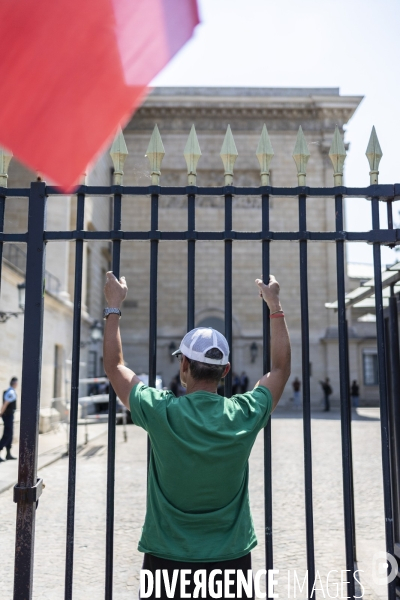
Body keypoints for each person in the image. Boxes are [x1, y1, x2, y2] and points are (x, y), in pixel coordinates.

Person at [103, 273, 291, 600]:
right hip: (231, 558)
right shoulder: (242, 415)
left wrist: (113, 306)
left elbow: (114, 367)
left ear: (184, 366)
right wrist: (275, 306)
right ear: (226, 371)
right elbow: (280, 370)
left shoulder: (161, 412)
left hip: (166, 557)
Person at [0, 377, 18, 462]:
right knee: (7, 434)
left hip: (9, 415)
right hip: (7, 415)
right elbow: (6, 403)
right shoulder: (11, 392)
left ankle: (8, 454)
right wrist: (1, 413)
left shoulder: (11, 391)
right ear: (14, 384)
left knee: (10, 434)